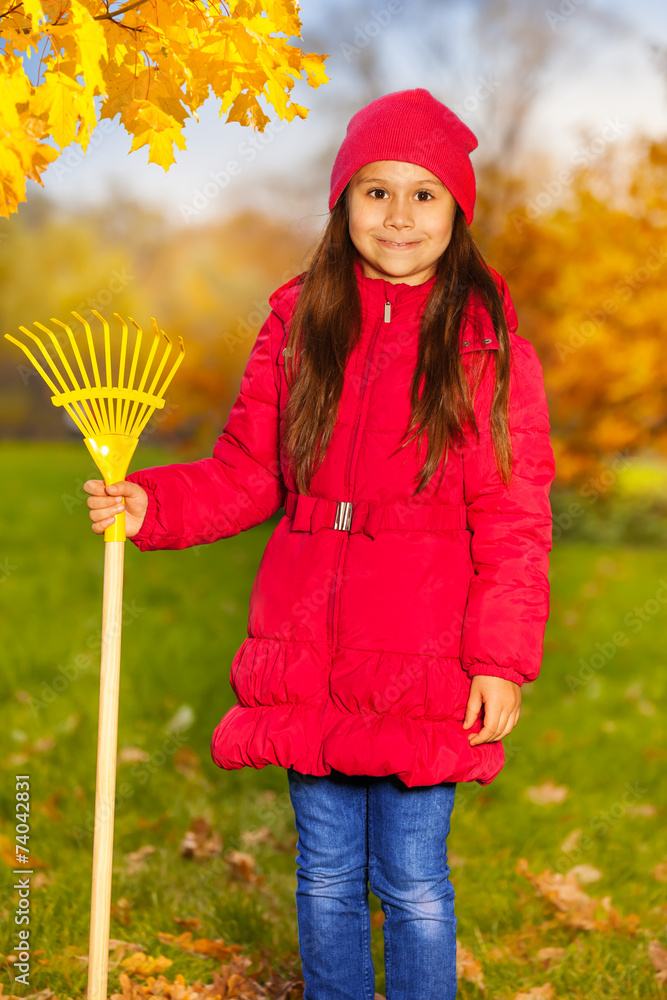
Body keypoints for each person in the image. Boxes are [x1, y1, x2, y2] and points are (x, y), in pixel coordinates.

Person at [84, 88, 555, 1000]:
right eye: (375, 191)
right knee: (326, 872)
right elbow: (247, 470)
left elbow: (513, 525)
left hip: (426, 662)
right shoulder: (302, 326)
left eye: (424, 194)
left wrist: (499, 661)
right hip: (306, 649)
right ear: (341, 204)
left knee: (412, 880)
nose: (399, 215)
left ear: (457, 211)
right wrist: (152, 504)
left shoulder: (488, 351)